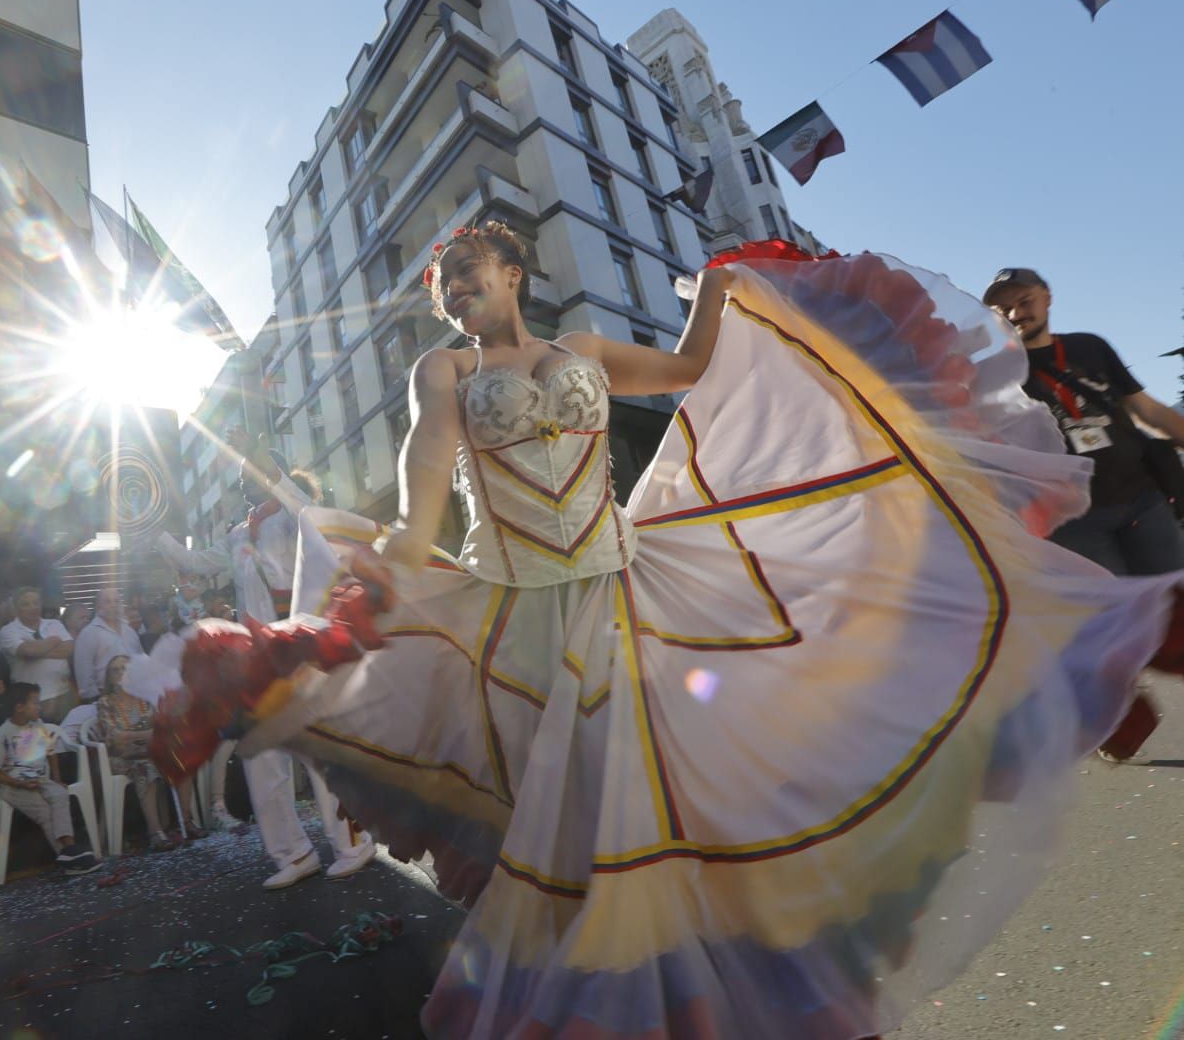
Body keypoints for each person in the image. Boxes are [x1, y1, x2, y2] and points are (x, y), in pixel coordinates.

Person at [173, 224, 1184, 1039]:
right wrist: (373, 581)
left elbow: (699, 365)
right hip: (523, 616)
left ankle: (1071, 667)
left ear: (515, 273)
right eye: (446, 291)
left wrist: (719, 284)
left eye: (470, 276)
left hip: (630, 582)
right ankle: (649, 994)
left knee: (711, 764)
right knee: (587, 812)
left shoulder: (590, 354)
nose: (456, 295)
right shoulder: (441, 375)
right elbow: (422, 487)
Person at [155, 430, 375, 890]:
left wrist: (273, 474)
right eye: (238, 477)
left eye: (246, 474)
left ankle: (353, 843)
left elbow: (305, 512)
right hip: (258, 657)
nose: (240, 483)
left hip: (305, 646)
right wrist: (151, 530)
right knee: (261, 756)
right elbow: (196, 564)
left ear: (268, 474)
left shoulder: (298, 517)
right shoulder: (236, 535)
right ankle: (292, 854)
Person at [985, 266, 1184, 574]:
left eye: (1025, 302)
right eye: (1004, 309)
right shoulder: (995, 375)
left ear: (1047, 298)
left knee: (1175, 601)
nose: (1015, 315)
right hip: (1073, 523)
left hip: (1143, 500)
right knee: (1118, 615)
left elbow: (1147, 410)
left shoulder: (1089, 347)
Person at [0, 683, 100, 875]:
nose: (40, 707)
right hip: (15, 787)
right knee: (45, 812)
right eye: (35, 703)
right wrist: (20, 783)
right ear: (19, 707)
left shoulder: (37, 725)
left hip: (40, 781)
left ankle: (69, 852)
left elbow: (51, 752)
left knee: (60, 794)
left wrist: (56, 778)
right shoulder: (4, 733)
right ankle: (68, 855)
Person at [89, 655, 198, 851]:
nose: (121, 673)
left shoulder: (144, 699)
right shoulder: (105, 702)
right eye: (116, 670)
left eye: (125, 668)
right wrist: (146, 734)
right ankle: (155, 832)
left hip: (148, 751)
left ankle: (187, 822)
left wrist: (142, 735)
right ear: (110, 677)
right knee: (145, 767)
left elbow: (160, 727)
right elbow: (115, 736)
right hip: (120, 758)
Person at [0, 588, 76, 723]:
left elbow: (69, 649)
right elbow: (27, 651)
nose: (32, 607)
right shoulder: (8, 631)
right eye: (26, 604)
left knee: (66, 739)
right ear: (17, 609)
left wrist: (36, 650)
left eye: (36, 603)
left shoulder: (54, 624)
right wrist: (54, 641)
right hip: (31, 703)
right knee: (38, 742)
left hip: (63, 695)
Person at [72, 589, 143, 705]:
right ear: (98, 606)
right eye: (108, 602)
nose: (113, 605)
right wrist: (98, 702)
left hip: (135, 694)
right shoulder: (88, 633)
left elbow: (141, 660)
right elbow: (84, 676)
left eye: (117, 601)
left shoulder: (129, 630)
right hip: (105, 698)